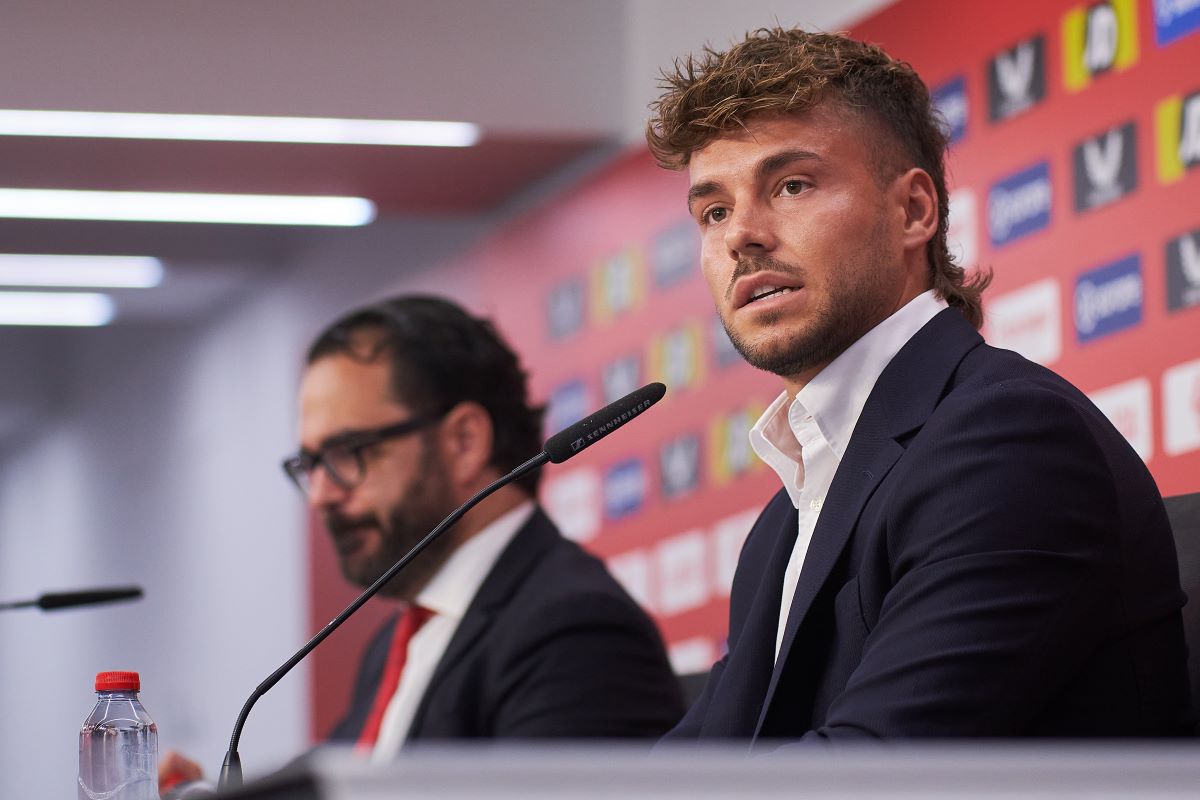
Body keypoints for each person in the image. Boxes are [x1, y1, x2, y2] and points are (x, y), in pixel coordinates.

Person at [646, 26, 1191, 741]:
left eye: (792, 185)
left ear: (914, 211)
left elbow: (880, 771)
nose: (740, 235)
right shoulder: (784, 523)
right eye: (713, 210)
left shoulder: (1008, 441)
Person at [162, 296, 683, 789]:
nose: (320, 495)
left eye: (347, 452)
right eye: (310, 464)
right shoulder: (395, 644)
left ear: (463, 441)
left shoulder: (572, 629)